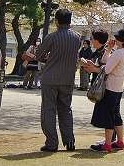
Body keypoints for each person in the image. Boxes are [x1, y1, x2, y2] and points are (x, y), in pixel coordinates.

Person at [35, 8, 81, 152]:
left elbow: (39, 55)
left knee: (48, 110)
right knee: (66, 110)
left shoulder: (52, 37)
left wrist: (48, 58)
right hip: (68, 78)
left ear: (56, 21)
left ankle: (52, 143)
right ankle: (69, 141)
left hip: (50, 78)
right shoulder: (77, 37)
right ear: (70, 20)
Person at [88, 28, 124, 153]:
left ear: (122, 40)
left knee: (109, 116)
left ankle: (107, 144)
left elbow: (106, 69)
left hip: (111, 87)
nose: (115, 39)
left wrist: (94, 68)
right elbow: (105, 61)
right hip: (118, 88)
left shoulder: (119, 53)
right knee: (116, 114)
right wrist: (108, 50)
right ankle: (120, 141)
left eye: (117, 37)